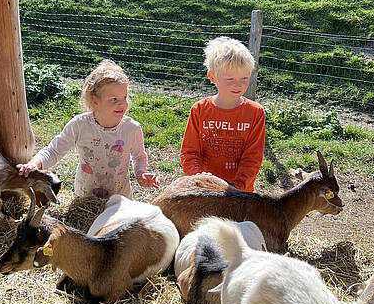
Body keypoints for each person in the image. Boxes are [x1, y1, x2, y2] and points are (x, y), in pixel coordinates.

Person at [18, 59, 159, 199]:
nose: (123, 104)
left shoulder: (131, 128)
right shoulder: (80, 125)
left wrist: (141, 173)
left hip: (119, 201)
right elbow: (54, 150)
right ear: (95, 101)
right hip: (85, 199)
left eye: (124, 97)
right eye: (114, 99)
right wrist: (34, 164)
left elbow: (139, 156)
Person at [180, 36, 265, 192]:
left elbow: (253, 157)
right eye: (230, 78)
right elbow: (190, 152)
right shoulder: (199, 110)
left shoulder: (255, 113)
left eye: (245, 78)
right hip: (205, 191)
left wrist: (237, 187)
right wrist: (200, 180)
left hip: (240, 193)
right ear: (212, 77)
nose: (238, 84)